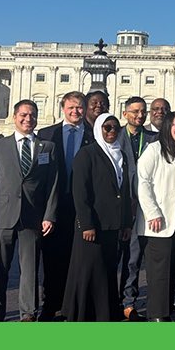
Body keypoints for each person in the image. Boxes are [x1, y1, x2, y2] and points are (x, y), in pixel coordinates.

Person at [0, 100, 60, 322]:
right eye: (23, 115)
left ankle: (28, 313)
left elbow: (53, 184)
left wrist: (49, 215)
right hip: (3, 215)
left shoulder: (47, 147)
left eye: (32, 115)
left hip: (33, 217)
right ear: (14, 117)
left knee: (30, 270)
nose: (28, 119)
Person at [63, 114, 136, 321]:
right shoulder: (87, 154)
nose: (112, 131)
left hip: (112, 225)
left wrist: (125, 223)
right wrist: (86, 224)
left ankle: (104, 311)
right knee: (87, 271)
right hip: (92, 225)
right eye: (107, 128)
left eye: (115, 128)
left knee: (106, 270)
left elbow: (124, 190)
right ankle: (81, 312)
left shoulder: (120, 154)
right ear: (98, 130)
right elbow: (80, 192)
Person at [37, 91, 94, 321]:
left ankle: (72, 304)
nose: (75, 111)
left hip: (82, 204)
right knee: (51, 256)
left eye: (79, 107)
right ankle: (50, 303)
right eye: (71, 107)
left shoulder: (94, 135)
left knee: (77, 256)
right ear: (62, 108)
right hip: (53, 204)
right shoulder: (46, 134)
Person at [136, 111, 175, 321]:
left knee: (174, 264)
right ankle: (157, 313)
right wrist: (152, 212)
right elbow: (142, 182)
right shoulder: (154, 149)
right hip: (159, 218)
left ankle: (167, 303)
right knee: (159, 269)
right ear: (168, 126)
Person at [118, 96, 159, 321]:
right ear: (125, 114)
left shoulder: (154, 138)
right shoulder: (115, 136)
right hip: (120, 205)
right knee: (117, 256)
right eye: (135, 111)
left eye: (143, 111)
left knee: (134, 257)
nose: (140, 115)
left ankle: (128, 301)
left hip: (144, 206)